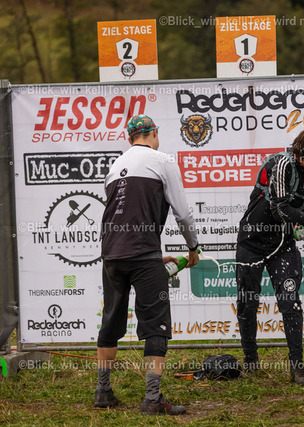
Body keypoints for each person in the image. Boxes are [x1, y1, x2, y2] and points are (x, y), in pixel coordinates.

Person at [95, 114, 200, 414]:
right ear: (154, 133)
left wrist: (155, 256)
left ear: (129, 138)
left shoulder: (114, 167)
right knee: (156, 325)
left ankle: (103, 391)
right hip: (143, 253)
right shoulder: (163, 160)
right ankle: (153, 399)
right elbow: (183, 214)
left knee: (110, 320)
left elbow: (124, 213)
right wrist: (192, 246)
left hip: (112, 254)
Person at [236, 128, 304, 385]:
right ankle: (251, 360)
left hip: (283, 245)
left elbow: (297, 223)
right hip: (252, 242)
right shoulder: (282, 165)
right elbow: (281, 210)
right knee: (248, 304)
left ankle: (297, 367)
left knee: (290, 303)